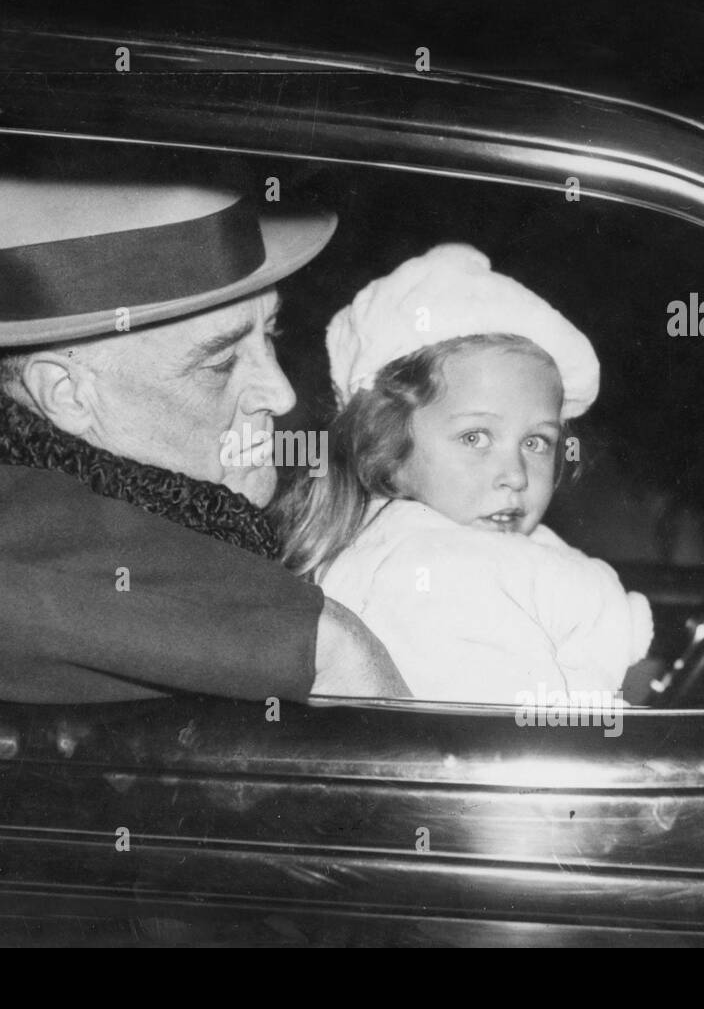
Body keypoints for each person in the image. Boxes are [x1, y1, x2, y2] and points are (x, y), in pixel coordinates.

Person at [0, 173, 408, 706]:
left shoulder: (183, 485)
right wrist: (321, 641)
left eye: (268, 333)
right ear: (68, 394)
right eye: (219, 364)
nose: (279, 393)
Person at [277, 243, 652, 703]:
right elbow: (511, 736)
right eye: (475, 437)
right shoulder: (430, 572)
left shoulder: (480, 548)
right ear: (387, 451)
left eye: (536, 442)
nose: (514, 474)